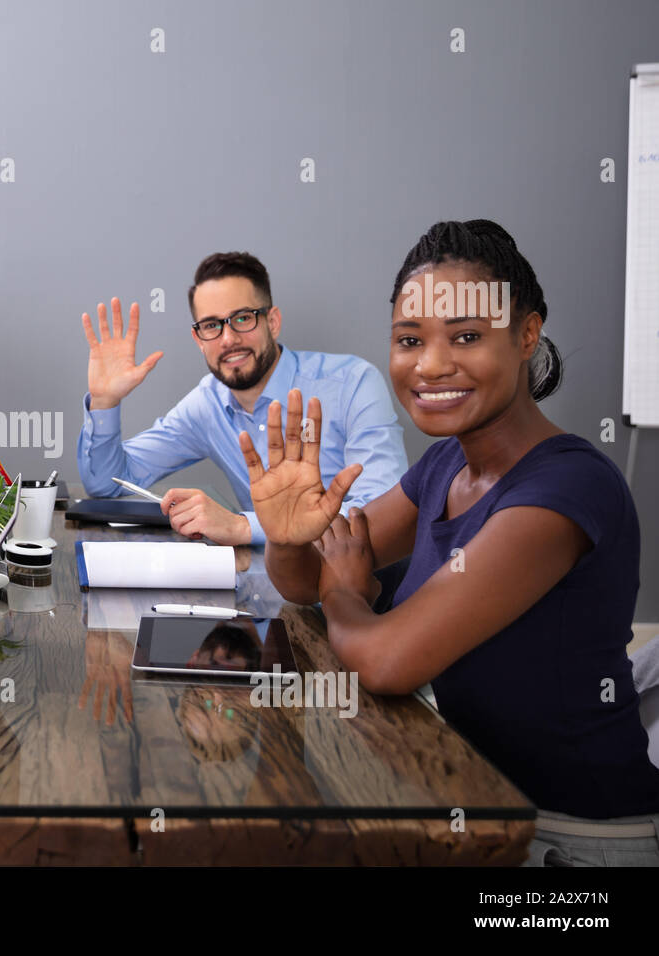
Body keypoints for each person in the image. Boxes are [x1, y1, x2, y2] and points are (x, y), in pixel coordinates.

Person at [242, 219, 659, 865]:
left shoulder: (566, 490)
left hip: (576, 839)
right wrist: (289, 538)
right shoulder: (444, 466)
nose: (431, 364)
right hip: (474, 801)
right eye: (410, 340)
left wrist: (349, 592)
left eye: (466, 336)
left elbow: (388, 662)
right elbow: (304, 582)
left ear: (527, 335)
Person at [77, 251, 407, 546]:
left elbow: (385, 510)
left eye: (243, 318)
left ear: (272, 321)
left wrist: (243, 527)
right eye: (211, 325)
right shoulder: (206, 406)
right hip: (273, 595)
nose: (229, 339)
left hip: (361, 594)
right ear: (198, 339)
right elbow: (108, 483)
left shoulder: (352, 383)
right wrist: (105, 403)